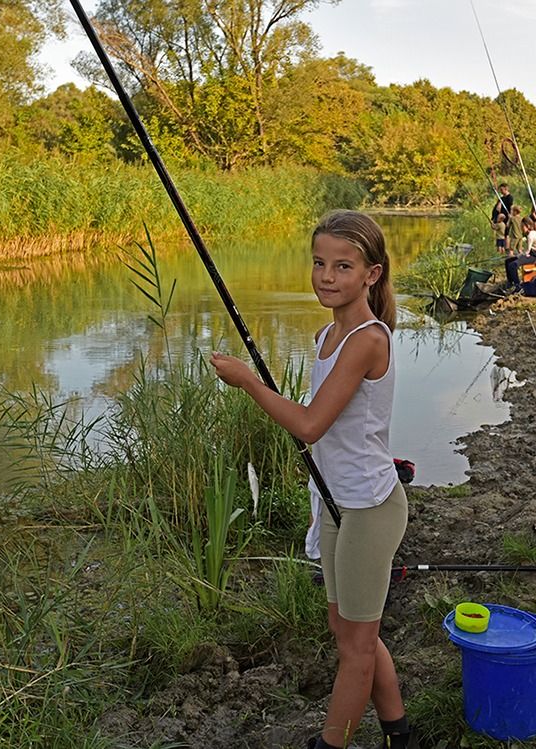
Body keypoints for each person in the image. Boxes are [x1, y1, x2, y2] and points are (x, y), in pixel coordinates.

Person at [210, 210, 417, 749]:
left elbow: (308, 424)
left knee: (355, 645)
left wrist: (250, 383)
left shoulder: (369, 340)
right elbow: (320, 418)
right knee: (350, 633)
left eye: (343, 266)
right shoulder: (327, 333)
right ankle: (401, 733)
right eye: (319, 263)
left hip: (370, 508)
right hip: (334, 504)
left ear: (371, 274)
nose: (327, 276)